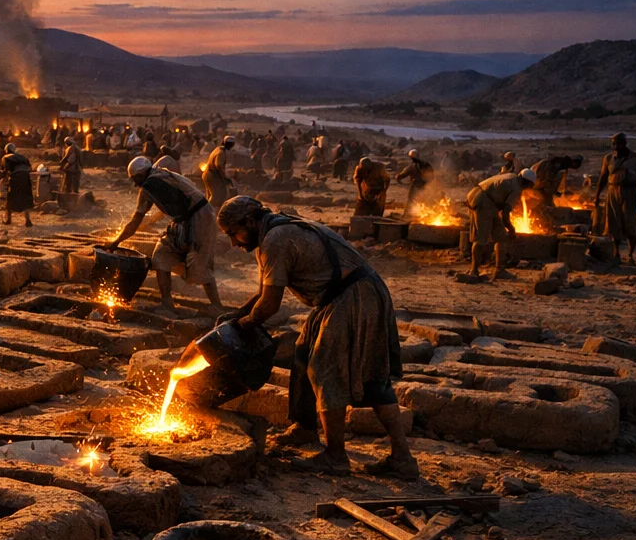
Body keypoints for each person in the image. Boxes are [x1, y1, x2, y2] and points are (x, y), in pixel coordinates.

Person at [216, 195, 415, 478]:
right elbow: (265, 291)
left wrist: (243, 326)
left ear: (249, 221)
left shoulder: (276, 239)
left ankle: (340, 457)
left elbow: (270, 305)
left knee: (328, 370)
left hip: (351, 297)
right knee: (303, 352)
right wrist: (238, 315)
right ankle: (306, 427)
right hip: (348, 295)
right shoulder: (279, 228)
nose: (234, 243)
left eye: (233, 234)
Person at [109, 156, 223, 311]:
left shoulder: (150, 185)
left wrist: (115, 242)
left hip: (200, 217)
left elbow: (135, 221)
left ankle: (217, 306)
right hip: (184, 219)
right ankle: (167, 302)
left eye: (136, 179)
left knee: (199, 262)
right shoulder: (161, 175)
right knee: (161, 256)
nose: (136, 184)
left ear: (142, 174)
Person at [466, 168, 535, 280]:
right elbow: (505, 214)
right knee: (481, 239)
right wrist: (511, 229)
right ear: (527, 183)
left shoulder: (512, 176)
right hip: (482, 201)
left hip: (484, 199)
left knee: (502, 237)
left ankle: (499, 270)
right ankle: (473, 271)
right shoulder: (517, 189)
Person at [595, 133, 636, 266]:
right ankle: (616, 253)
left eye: (618, 143)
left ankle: (630, 255)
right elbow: (603, 178)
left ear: (624, 143)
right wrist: (597, 196)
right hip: (612, 192)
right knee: (613, 224)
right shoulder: (608, 159)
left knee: (630, 224)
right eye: (614, 143)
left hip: (630, 192)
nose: (615, 146)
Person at [395, 149, 435, 217]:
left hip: (416, 185)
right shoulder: (426, 164)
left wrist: (397, 177)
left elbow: (402, 175)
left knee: (411, 199)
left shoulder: (413, 166)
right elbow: (432, 175)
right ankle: (423, 214)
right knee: (423, 200)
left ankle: (407, 215)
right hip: (425, 185)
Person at [2, 144, 34, 227]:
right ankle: (28, 220)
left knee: (10, 198)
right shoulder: (22, 157)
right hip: (26, 178)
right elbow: (30, 168)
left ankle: (8, 219)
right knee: (25, 197)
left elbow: (6, 171)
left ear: (7, 150)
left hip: (15, 178)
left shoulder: (6, 157)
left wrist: (5, 181)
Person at [203, 137, 236, 207]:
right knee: (216, 196)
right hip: (212, 176)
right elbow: (218, 166)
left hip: (208, 174)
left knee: (209, 195)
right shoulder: (221, 153)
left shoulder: (218, 149)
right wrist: (225, 178)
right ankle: (208, 211)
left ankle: (204, 210)